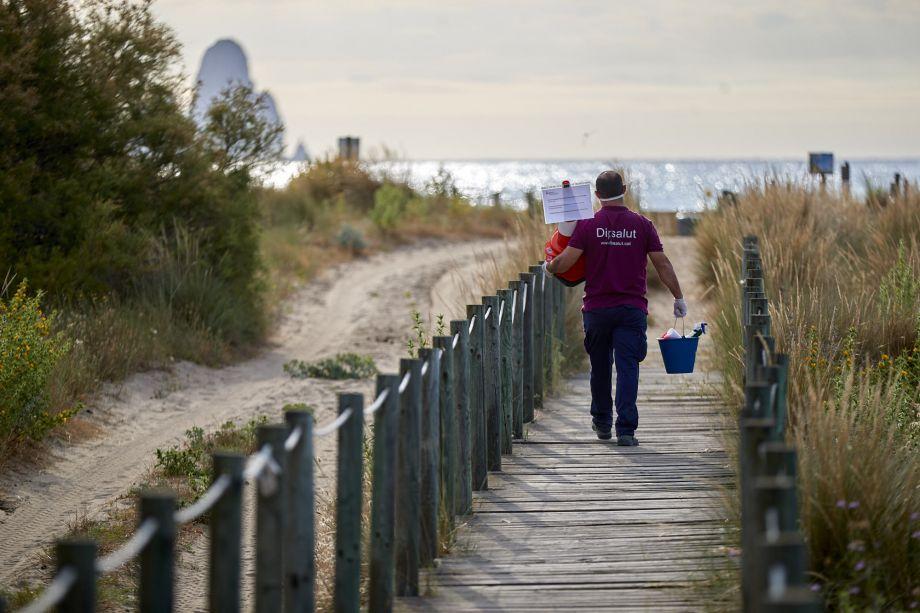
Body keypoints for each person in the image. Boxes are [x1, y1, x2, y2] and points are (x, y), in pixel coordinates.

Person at [545, 170, 686, 446]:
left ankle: (602, 422)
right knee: (628, 367)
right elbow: (663, 264)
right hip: (631, 309)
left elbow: (565, 261)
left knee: (599, 368)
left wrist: (548, 268)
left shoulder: (588, 225)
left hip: (597, 310)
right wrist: (678, 297)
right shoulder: (643, 225)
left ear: (596, 196)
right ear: (624, 188)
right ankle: (626, 430)